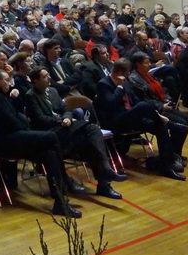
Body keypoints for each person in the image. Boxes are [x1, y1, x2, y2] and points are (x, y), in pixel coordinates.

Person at [0, 69, 81, 217]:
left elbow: (18, 113)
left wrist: (14, 98)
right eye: (7, 80)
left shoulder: (2, 95)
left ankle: (60, 201)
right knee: (51, 137)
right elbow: (11, 121)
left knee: (50, 154)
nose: (10, 83)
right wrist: (29, 131)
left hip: (13, 137)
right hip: (3, 142)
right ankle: (65, 180)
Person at [25, 66, 125, 198]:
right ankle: (105, 173)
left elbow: (65, 108)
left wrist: (66, 117)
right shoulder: (30, 96)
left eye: (48, 75)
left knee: (91, 140)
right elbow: (40, 119)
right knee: (91, 129)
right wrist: (62, 121)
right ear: (35, 81)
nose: (49, 78)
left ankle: (103, 184)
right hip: (50, 133)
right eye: (44, 76)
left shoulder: (53, 91)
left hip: (65, 128)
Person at [95, 59, 187, 181]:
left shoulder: (125, 81)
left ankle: (166, 166)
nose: (128, 75)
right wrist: (120, 87)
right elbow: (110, 104)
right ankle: (170, 124)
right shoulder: (104, 84)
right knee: (143, 106)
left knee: (160, 126)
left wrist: (156, 115)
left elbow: (135, 100)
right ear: (120, 72)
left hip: (133, 117)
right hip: (116, 121)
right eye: (127, 73)